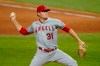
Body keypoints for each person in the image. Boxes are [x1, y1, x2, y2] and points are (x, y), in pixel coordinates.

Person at [10, 5, 86, 66]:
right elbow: (24, 32)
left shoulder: (55, 21)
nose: (46, 12)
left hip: (55, 52)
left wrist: (79, 40)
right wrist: (14, 21)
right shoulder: (34, 25)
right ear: (38, 13)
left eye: (47, 11)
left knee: (73, 63)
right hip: (41, 54)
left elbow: (68, 29)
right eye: (44, 11)